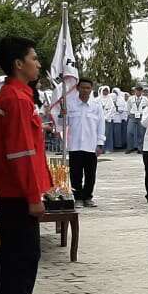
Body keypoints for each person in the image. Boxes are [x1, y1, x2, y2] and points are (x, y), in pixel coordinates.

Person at [0, 36, 53, 294]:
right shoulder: (15, 98)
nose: (38, 63)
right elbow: (21, 153)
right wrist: (33, 196)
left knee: (17, 254)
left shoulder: (17, 95)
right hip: (17, 193)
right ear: (18, 64)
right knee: (22, 256)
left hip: (14, 191)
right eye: (34, 58)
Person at [58, 78, 105, 207]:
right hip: (75, 144)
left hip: (91, 145)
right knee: (75, 173)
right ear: (77, 88)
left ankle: (88, 197)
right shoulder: (70, 104)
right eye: (82, 87)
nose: (85, 90)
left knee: (90, 174)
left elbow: (101, 125)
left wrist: (100, 143)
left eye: (88, 88)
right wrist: (62, 115)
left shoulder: (96, 106)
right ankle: (77, 197)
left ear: (91, 89)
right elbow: (62, 124)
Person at [125, 87, 148, 154]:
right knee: (129, 131)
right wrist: (129, 114)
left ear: (142, 91)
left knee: (141, 132)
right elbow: (128, 107)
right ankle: (130, 148)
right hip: (133, 115)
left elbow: (146, 108)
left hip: (141, 116)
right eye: (137, 90)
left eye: (140, 91)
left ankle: (140, 148)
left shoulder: (145, 99)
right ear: (135, 91)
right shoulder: (131, 98)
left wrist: (144, 115)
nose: (138, 92)